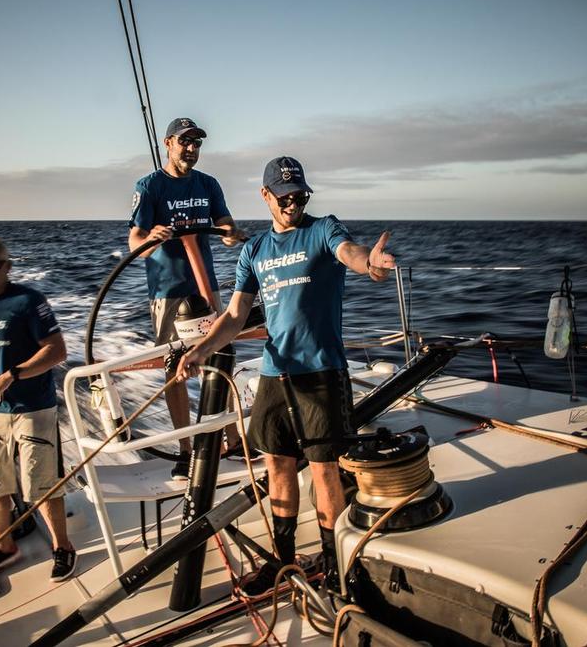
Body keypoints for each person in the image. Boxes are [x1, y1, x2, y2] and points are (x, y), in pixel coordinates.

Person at [175, 156, 395, 591]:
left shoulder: (323, 229)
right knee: (276, 463)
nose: (292, 202)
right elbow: (236, 315)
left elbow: (348, 253)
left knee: (323, 470)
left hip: (321, 372)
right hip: (276, 374)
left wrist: (367, 264)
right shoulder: (254, 250)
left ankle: (334, 567)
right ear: (266, 195)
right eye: (284, 196)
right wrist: (200, 350)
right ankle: (283, 560)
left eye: (299, 195)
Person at [128, 117, 248, 479]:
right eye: (185, 143)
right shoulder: (149, 186)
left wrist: (230, 234)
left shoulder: (208, 184)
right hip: (167, 292)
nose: (192, 149)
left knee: (219, 357)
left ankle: (232, 439)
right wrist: (153, 237)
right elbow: (135, 243)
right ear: (169, 143)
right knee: (175, 368)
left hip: (205, 286)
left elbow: (226, 225)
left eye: (197, 144)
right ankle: (185, 449)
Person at [0, 236, 77, 582]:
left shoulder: (28, 301)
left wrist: (12, 376)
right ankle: (5, 547)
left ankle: (63, 548)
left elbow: (56, 351)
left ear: (8, 266)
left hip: (33, 407)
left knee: (41, 483)